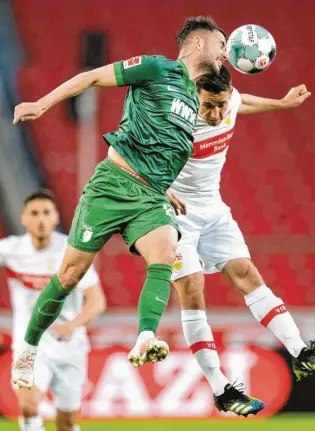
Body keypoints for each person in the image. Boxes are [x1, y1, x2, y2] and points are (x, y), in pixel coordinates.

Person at [11, 16, 228, 389]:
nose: (225, 53)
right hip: (112, 186)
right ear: (196, 45)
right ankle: (28, 349)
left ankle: (146, 337)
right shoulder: (157, 67)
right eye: (220, 44)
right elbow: (92, 77)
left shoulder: (197, 99)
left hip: (150, 197)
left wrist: (165, 187)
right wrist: (42, 104)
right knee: (69, 275)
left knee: (166, 253)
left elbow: (166, 147)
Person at [168, 66, 315, 416]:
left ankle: (301, 354)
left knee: (247, 272)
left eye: (220, 105)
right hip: (173, 212)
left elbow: (241, 101)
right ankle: (221, 388)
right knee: (193, 288)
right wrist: (163, 186)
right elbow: (128, 156)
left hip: (213, 207)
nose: (216, 114)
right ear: (193, 99)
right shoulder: (172, 119)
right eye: (208, 107)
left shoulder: (229, 101)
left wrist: (282, 103)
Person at [0, 189, 106, 431]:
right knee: (28, 404)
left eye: (46, 213)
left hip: (69, 346)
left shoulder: (72, 252)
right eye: (34, 213)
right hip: (28, 344)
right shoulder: (12, 249)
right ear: (24, 218)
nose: (40, 219)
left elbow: (97, 301)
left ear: (55, 217)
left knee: (66, 423)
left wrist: (72, 325)